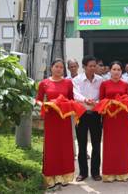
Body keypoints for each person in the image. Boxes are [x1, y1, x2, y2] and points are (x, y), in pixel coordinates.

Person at [36, 59, 75, 189]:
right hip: (51, 118)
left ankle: (65, 176)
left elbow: (71, 100)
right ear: (51, 68)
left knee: (65, 146)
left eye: (61, 67)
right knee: (52, 147)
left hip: (64, 119)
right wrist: (46, 105)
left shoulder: (68, 83)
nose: (59, 69)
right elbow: (38, 100)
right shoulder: (44, 83)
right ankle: (51, 177)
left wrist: (65, 105)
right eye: (56, 67)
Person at [99, 61, 128, 182]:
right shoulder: (104, 84)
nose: (116, 72)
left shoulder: (125, 84)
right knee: (110, 145)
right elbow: (101, 100)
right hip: (109, 118)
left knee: (122, 144)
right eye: (114, 69)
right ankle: (109, 173)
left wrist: (122, 101)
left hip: (122, 118)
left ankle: (123, 172)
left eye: (119, 69)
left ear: (121, 71)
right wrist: (110, 103)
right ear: (110, 71)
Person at [72, 55, 104, 182]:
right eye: (90, 66)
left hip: (96, 114)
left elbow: (103, 95)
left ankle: (95, 172)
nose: (92, 68)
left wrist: (97, 102)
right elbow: (75, 94)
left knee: (96, 144)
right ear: (84, 67)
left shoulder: (100, 80)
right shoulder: (77, 80)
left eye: (94, 66)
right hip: (82, 114)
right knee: (82, 145)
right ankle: (83, 173)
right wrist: (85, 100)